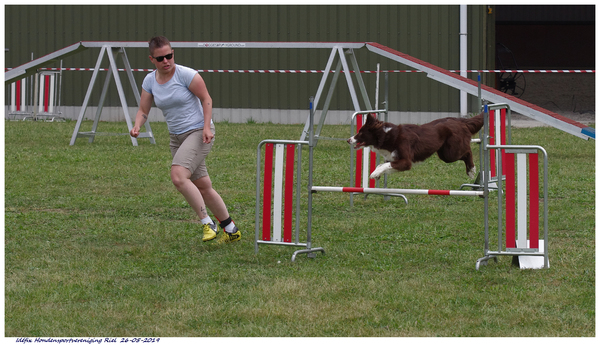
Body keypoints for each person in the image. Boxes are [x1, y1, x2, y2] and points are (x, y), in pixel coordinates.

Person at [130, 36, 241, 244]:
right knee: (203, 186)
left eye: (169, 56)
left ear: (173, 53)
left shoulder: (187, 75)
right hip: (176, 137)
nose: (166, 61)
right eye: (160, 58)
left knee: (178, 176)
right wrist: (137, 125)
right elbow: (143, 110)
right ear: (151, 59)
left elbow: (206, 99)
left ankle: (208, 224)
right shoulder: (149, 80)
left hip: (198, 132)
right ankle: (231, 229)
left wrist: (207, 127)